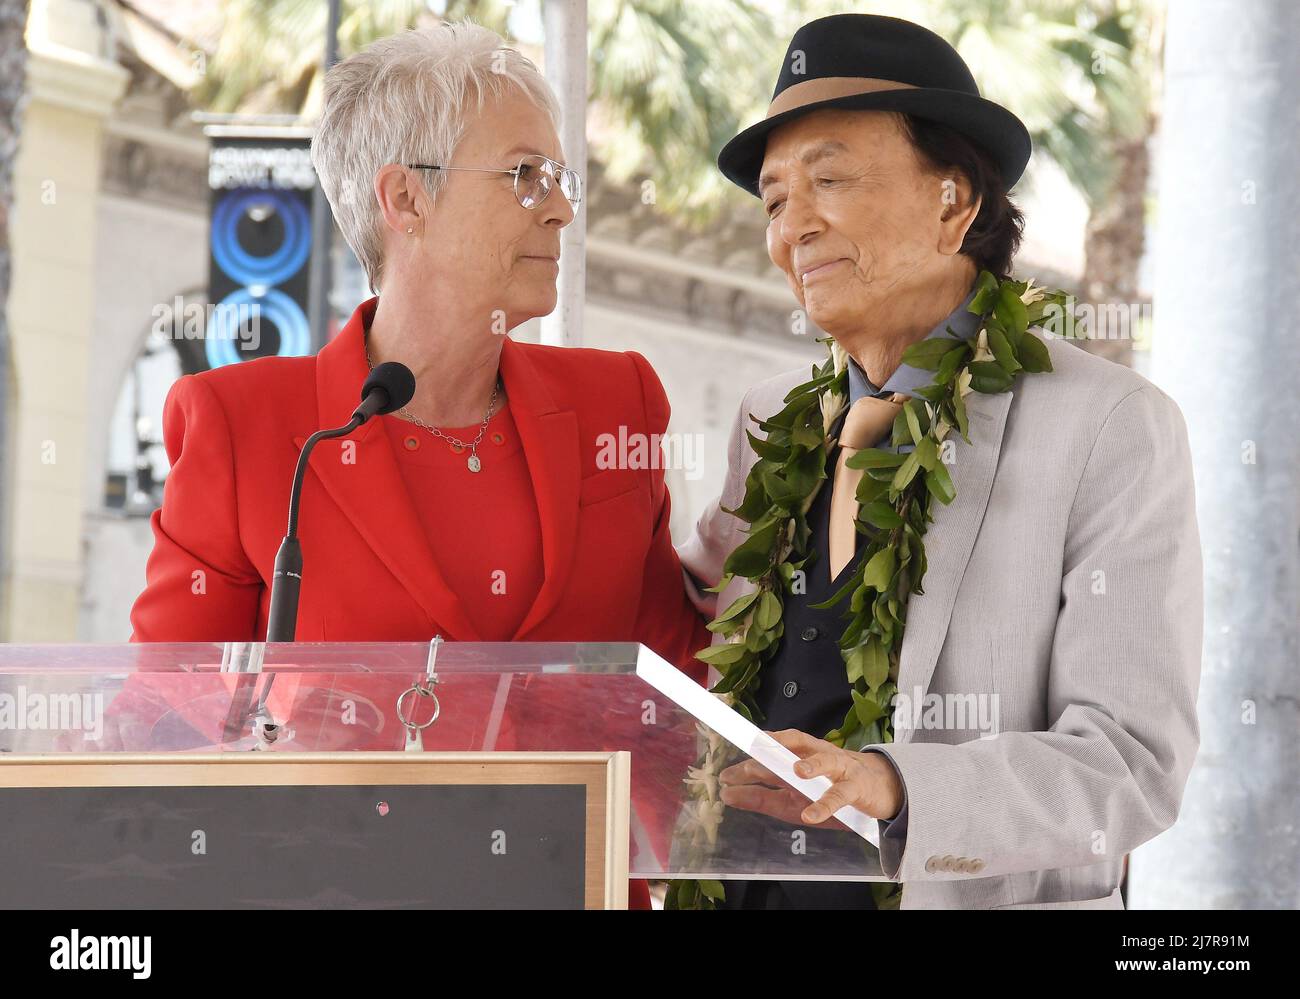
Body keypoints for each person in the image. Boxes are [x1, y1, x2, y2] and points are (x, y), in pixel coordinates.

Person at [128, 22, 709, 910]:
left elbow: (680, 683)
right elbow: (157, 722)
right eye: (525, 175)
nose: (559, 207)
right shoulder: (246, 427)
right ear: (406, 199)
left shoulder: (616, 405)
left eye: (561, 179)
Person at [678, 13, 1202, 910]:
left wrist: (896, 785)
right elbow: (683, 612)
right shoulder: (768, 419)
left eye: (829, 180)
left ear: (954, 203)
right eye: (772, 200)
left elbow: (1131, 760)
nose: (791, 228)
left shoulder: (1113, 426)